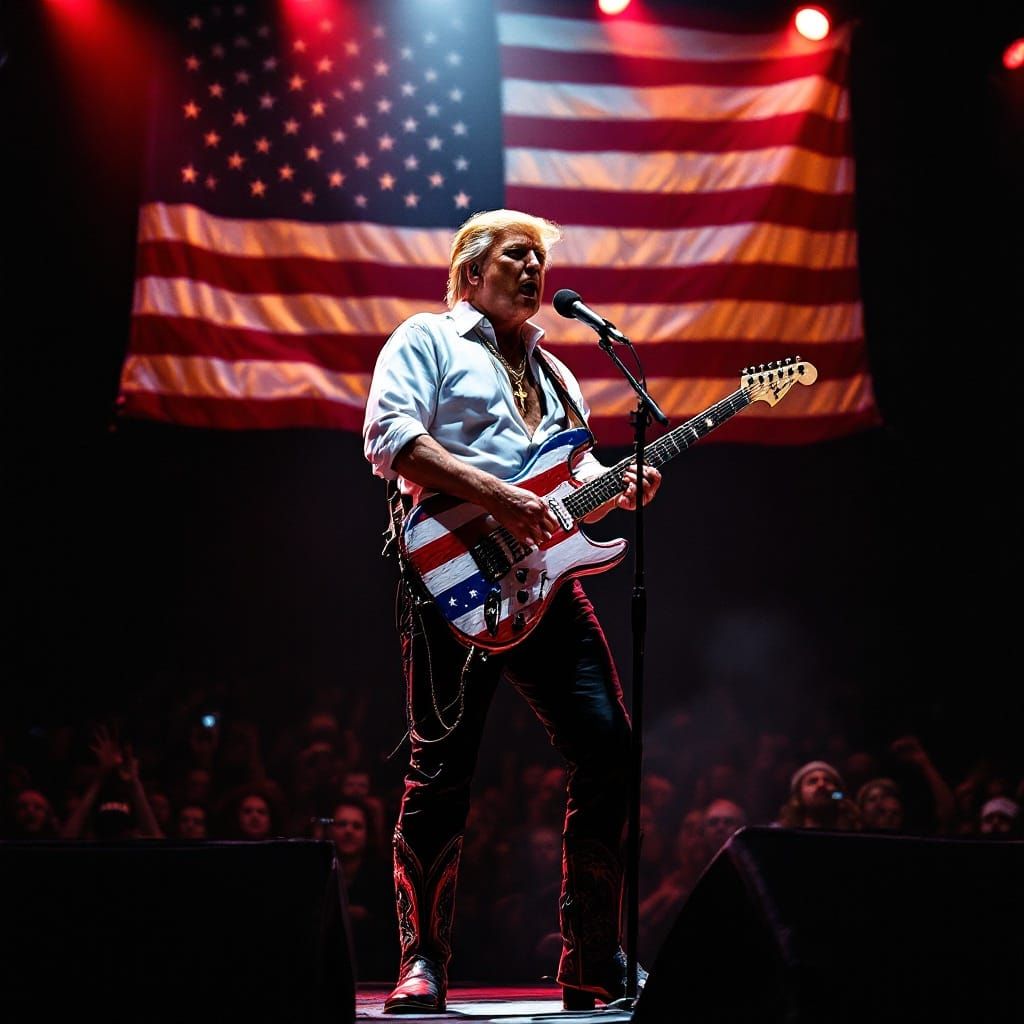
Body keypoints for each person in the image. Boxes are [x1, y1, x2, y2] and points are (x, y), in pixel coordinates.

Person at [363, 209, 662, 1012]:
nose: (533, 269)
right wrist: (497, 495)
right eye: (516, 255)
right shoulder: (427, 339)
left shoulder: (557, 371)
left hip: (547, 586)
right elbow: (390, 439)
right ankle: (421, 960)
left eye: (539, 258)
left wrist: (620, 481)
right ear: (471, 271)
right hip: (453, 575)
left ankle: (591, 956)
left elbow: (574, 472)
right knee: (441, 770)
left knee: (610, 748)